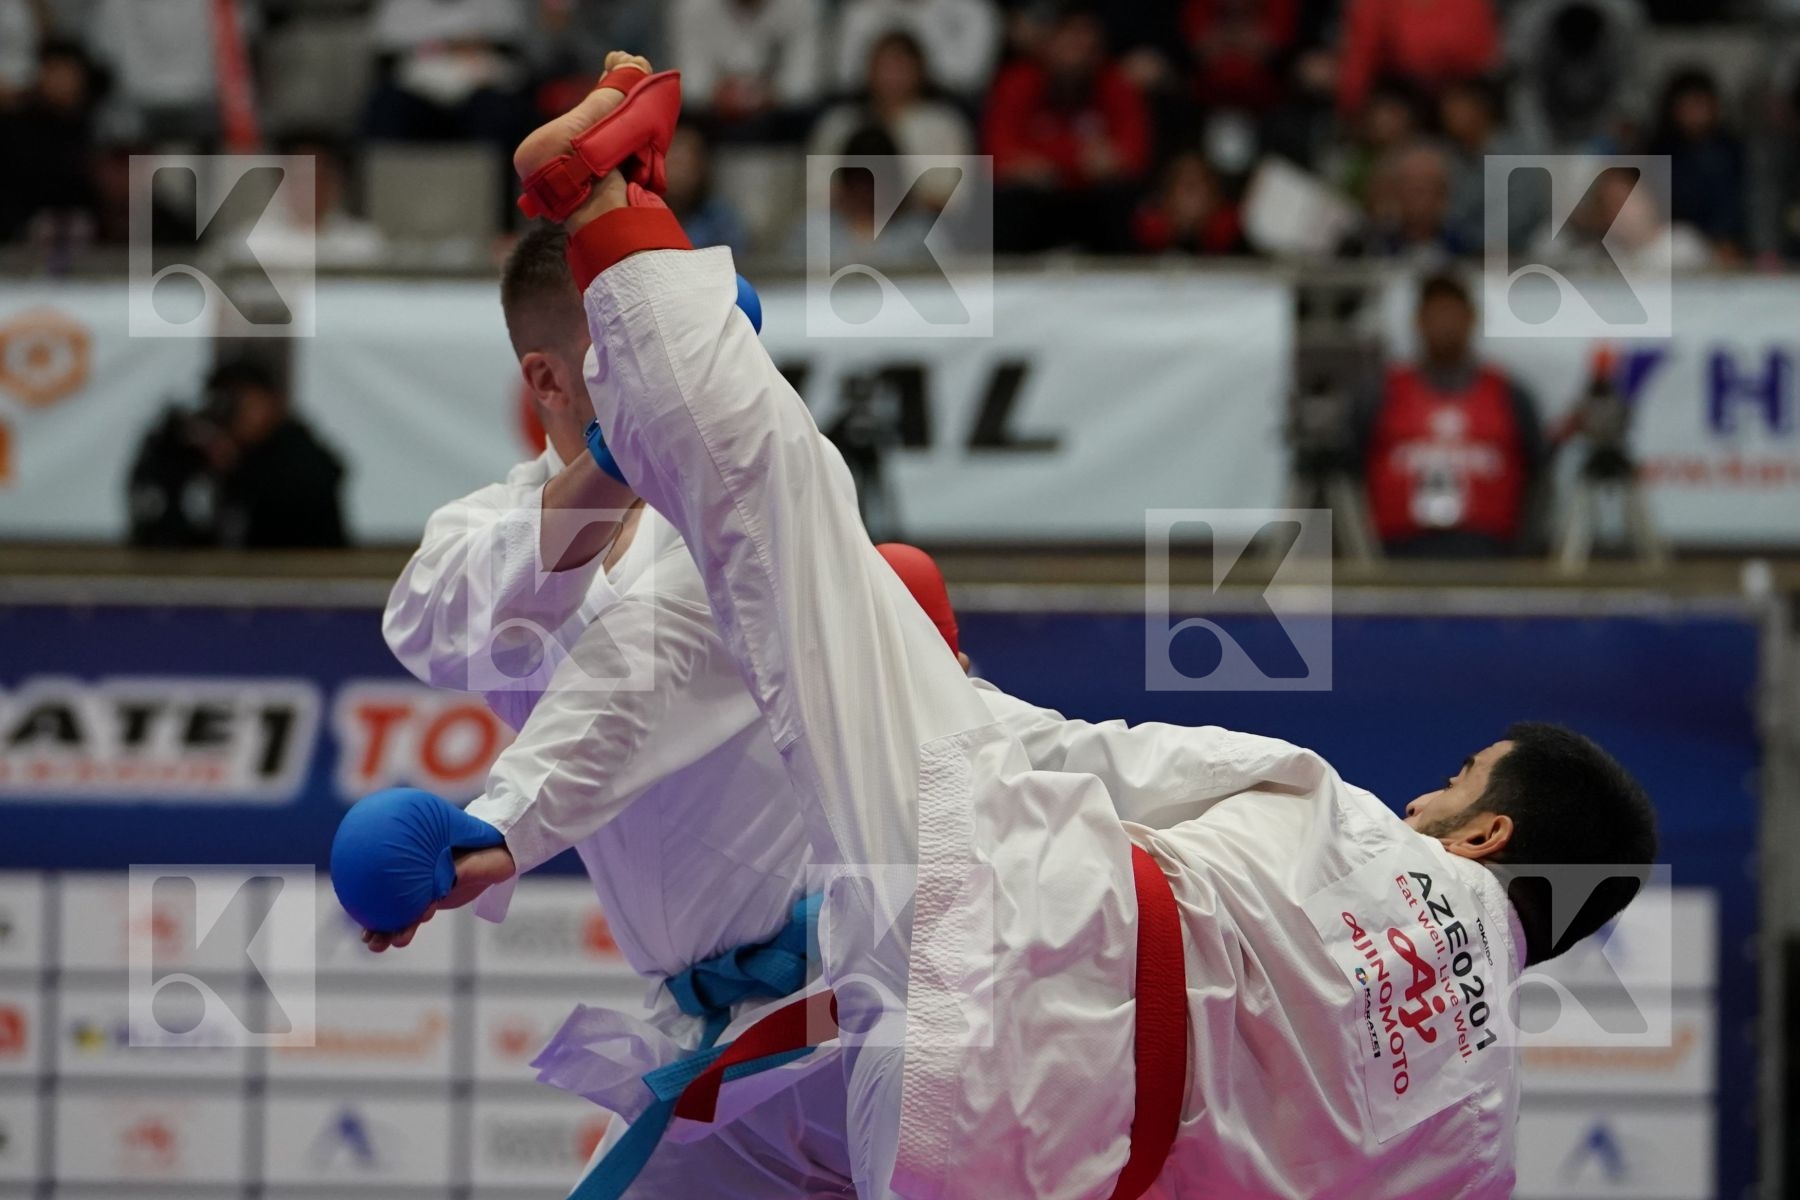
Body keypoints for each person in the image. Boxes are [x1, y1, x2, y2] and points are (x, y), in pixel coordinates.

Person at [503, 56, 1658, 1197]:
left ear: (1488, 836)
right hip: (1021, 1157)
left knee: (798, 531)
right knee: (775, 1145)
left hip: (1021, 923)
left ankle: (610, 208)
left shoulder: (1341, 816)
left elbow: (1091, 761)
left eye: (1461, 782)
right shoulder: (1477, 1135)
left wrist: (936, 685)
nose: (1426, 798)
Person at [1359, 273, 1545, 558]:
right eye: (1435, 313)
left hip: (1489, 551)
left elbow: (1538, 473)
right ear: (1418, 321)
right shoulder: (1382, 393)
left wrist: (1526, 548)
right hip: (1397, 551)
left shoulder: (1509, 394)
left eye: (1453, 313)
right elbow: (1350, 468)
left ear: (1472, 318)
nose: (1445, 324)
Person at [983, 4, 1150, 253]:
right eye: (1069, 45)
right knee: (1007, 203)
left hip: (1094, 199)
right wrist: (1034, 167)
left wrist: (1112, 162)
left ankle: (1127, 285)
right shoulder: (1017, 82)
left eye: (1086, 48)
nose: (1077, 57)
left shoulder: (1117, 85)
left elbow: (1135, 153)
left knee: (1122, 199)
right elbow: (996, 154)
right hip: (1036, 199)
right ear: (1048, 45)